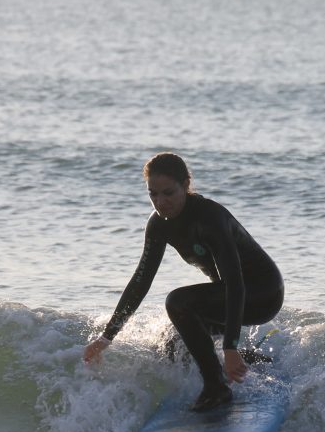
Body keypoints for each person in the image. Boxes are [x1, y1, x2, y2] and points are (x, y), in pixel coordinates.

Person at [83, 152, 284, 411]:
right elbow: (140, 282)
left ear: (186, 185)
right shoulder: (158, 225)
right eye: (153, 194)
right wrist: (106, 337)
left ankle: (217, 387)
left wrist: (230, 345)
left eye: (168, 192)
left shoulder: (210, 218)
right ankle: (250, 363)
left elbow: (235, 283)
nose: (160, 202)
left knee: (177, 302)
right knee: (173, 346)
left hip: (263, 293)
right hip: (228, 296)